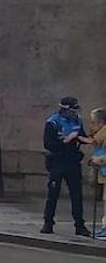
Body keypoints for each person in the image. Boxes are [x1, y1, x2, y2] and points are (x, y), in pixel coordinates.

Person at [42, 96, 92, 237]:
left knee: (77, 194)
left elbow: (81, 136)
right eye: (72, 110)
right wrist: (66, 140)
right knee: (53, 193)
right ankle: (48, 223)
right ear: (64, 110)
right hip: (57, 161)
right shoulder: (52, 123)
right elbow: (48, 144)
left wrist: (88, 140)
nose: (75, 113)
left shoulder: (77, 121)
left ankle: (80, 225)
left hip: (72, 162)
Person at [86, 107, 106, 239]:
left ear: (101, 123)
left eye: (93, 122)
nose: (91, 125)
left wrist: (100, 159)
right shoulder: (99, 137)